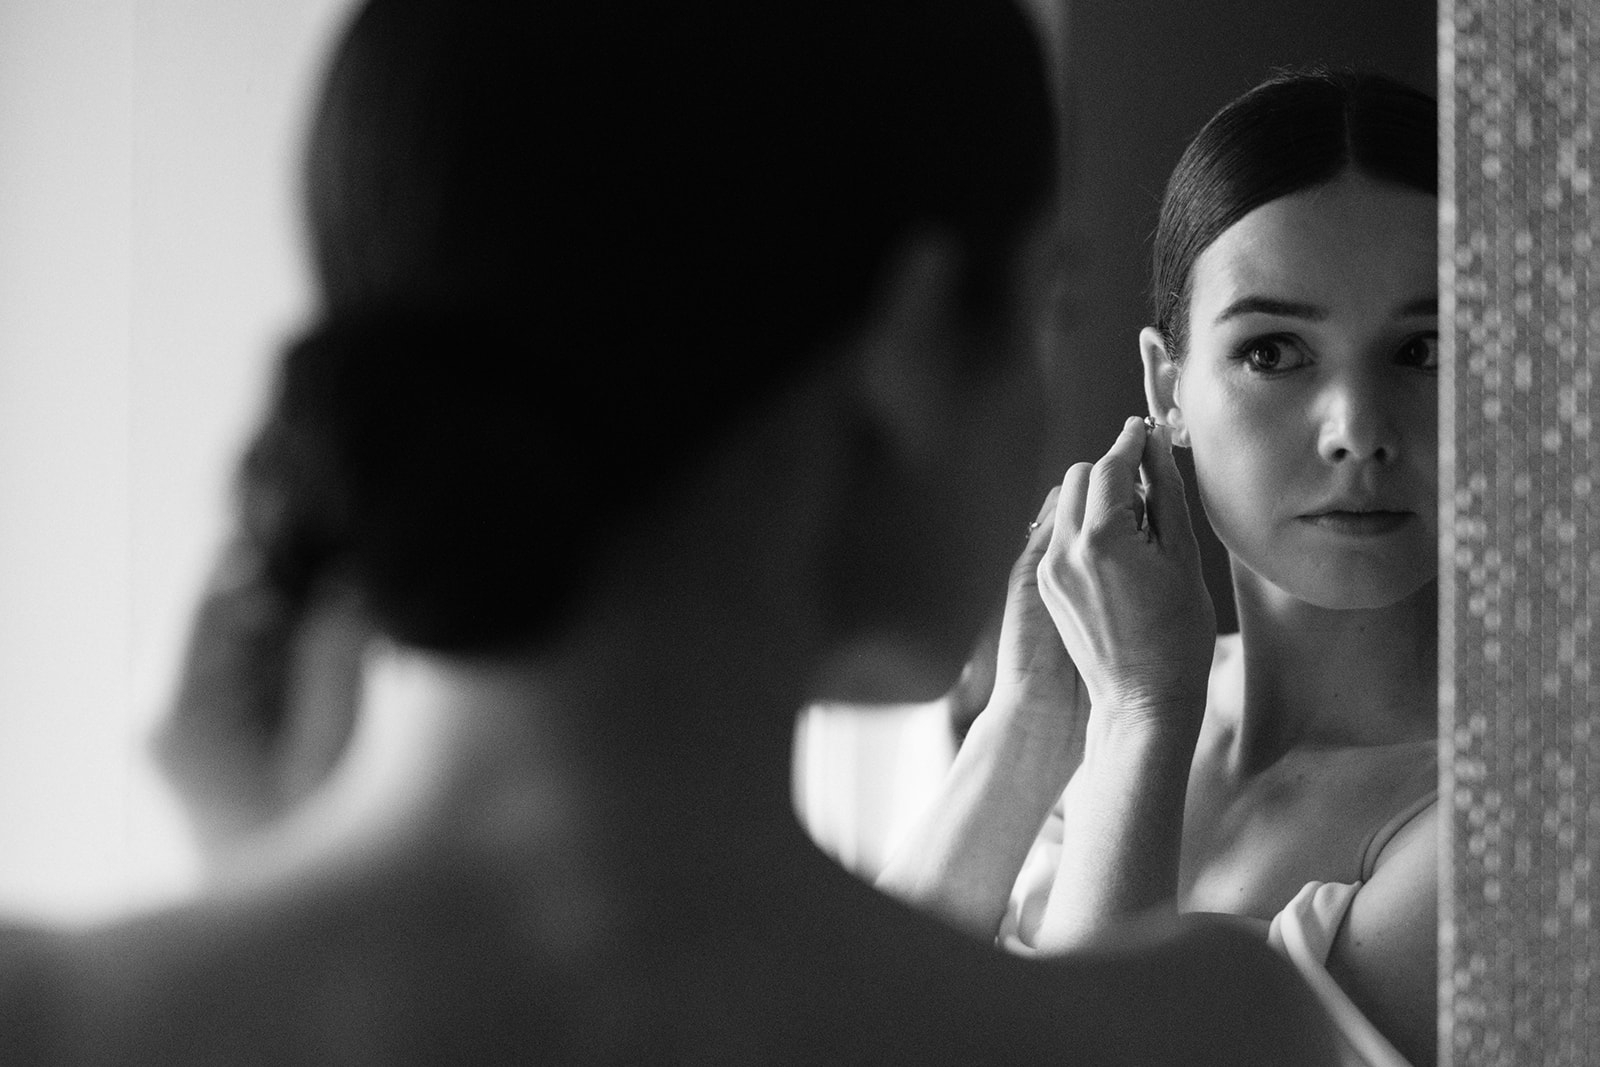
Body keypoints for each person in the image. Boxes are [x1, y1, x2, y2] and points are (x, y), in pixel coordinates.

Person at [0, 5, 1343, 1063]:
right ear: (916, 338)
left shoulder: (59, 1016)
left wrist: (257, 870)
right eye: (1048, 295)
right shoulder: (1202, 1030)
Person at [878, 67, 1438, 1067]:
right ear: (1164, 386)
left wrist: (1144, 712)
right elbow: (850, 1029)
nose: (1357, 428)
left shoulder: (1517, 827)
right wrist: (1034, 716)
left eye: (1427, 349)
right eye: (1274, 351)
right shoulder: (1096, 709)